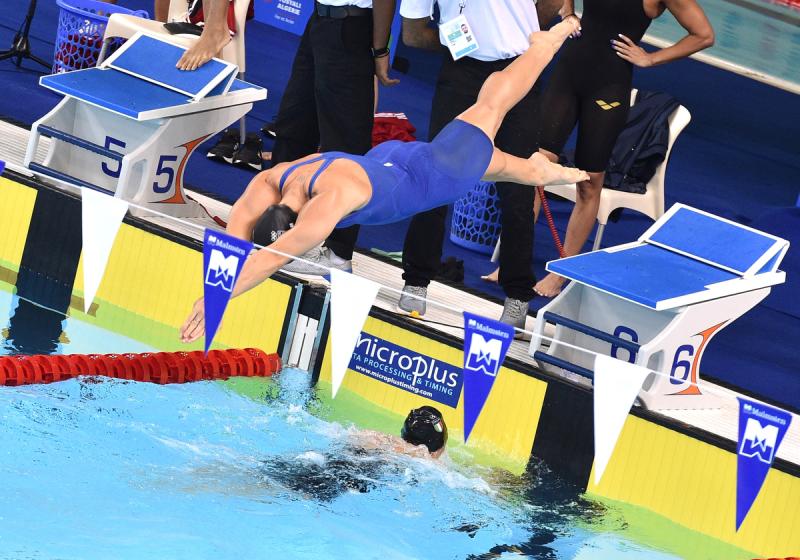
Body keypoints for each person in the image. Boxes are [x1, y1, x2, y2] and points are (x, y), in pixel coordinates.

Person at [179, 20, 588, 343]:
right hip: (394, 161)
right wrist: (211, 292)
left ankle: (545, 44)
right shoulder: (274, 180)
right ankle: (549, 170)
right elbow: (235, 240)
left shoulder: (328, 203)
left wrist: (220, 300)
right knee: (512, 158)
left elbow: (270, 258)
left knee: (494, 104)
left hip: (439, 174)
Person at [395, 0, 562, 333]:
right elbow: (413, 35)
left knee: (518, 186)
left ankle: (517, 295)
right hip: (461, 72)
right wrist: (463, 41)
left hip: (518, 71)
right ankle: (415, 281)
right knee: (436, 176)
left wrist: (522, 35)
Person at [531, 0, 714, 297]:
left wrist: (652, 59)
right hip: (568, 73)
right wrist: (568, 13)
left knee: (590, 183)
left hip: (608, 87)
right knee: (535, 166)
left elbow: (704, 34)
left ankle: (559, 274)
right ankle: (513, 263)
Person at [269, 0, 401, 278]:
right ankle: (275, 227)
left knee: (345, 148)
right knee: (293, 127)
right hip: (319, 22)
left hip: (351, 28)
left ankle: (338, 254)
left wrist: (380, 49)